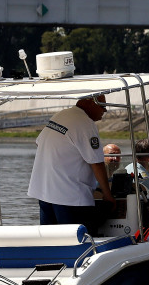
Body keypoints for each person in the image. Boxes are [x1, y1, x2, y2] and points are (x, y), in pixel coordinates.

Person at [27, 94, 115, 227]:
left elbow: (39, 142)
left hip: (44, 192)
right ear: (89, 102)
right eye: (102, 106)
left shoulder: (61, 115)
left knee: (51, 241)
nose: (105, 110)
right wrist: (108, 196)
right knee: (76, 241)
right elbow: (96, 162)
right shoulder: (85, 122)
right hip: (70, 198)